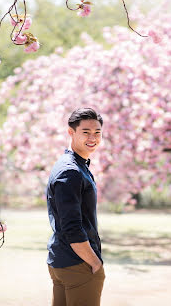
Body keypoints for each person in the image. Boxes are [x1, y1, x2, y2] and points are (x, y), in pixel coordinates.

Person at [46, 108, 105, 306]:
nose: (92, 138)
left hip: (63, 260)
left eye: (97, 132)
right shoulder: (70, 171)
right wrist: (95, 262)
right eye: (86, 132)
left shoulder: (75, 166)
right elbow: (72, 227)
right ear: (71, 132)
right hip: (77, 263)